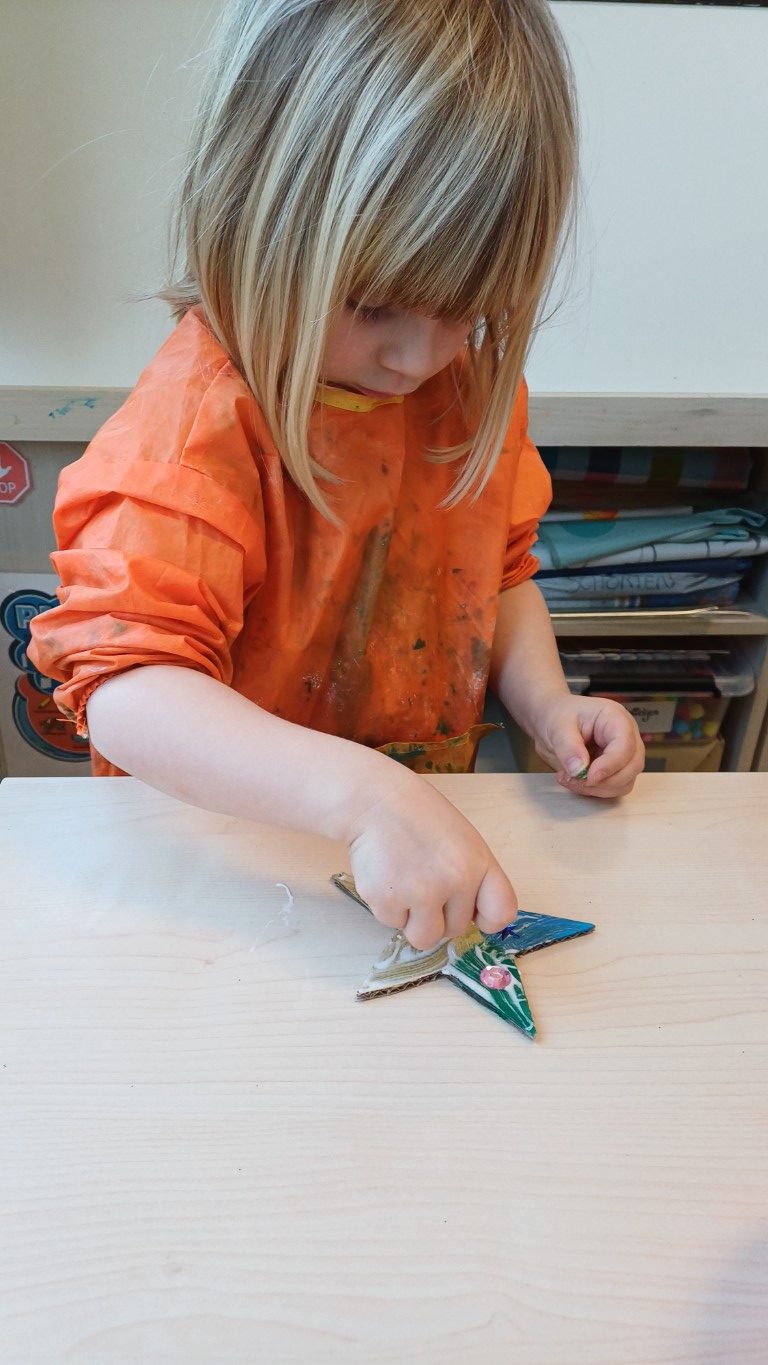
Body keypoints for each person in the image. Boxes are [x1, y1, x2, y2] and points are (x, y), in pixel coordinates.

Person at [29, 0, 644, 951]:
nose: (417, 357)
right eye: (371, 303)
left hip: (402, 864)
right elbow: (129, 691)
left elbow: (497, 578)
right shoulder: (195, 427)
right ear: (251, 215)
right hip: (222, 876)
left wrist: (550, 702)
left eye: (467, 311)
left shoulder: (464, 388)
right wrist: (364, 798)